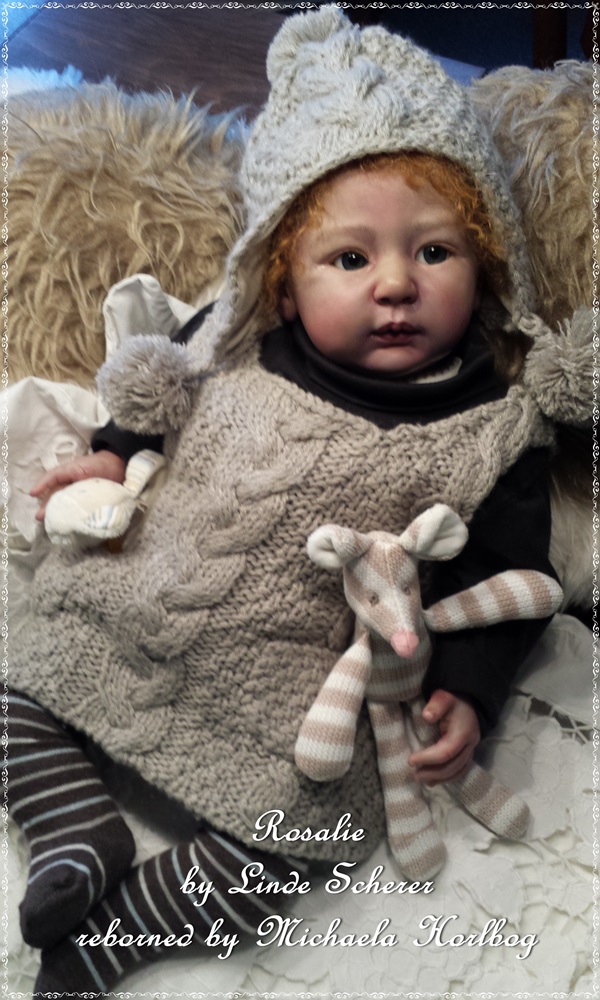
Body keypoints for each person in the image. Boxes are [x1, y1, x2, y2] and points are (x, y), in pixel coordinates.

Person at [11, 6, 562, 993]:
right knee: (16, 675)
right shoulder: (235, 340)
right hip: (143, 595)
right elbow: (155, 396)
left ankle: (125, 926)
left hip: (292, 692)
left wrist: (470, 691)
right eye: (350, 259)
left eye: (435, 252)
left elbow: (509, 582)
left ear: (487, 263)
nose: (395, 284)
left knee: (305, 843)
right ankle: (74, 832)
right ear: (282, 275)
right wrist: (108, 456)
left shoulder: (495, 428)